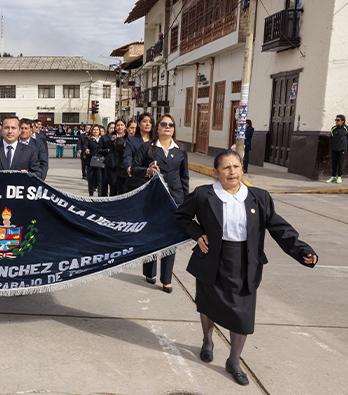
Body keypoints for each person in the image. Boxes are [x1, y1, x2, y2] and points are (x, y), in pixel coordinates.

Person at [175, 149, 318, 386]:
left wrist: (302, 250)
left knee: (243, 316)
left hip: (245, 263)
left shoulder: (259, 197)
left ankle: (234, 360)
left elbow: (279, 228)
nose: (232, 172)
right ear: (215, 172)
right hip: (212, 259)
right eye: (226, 167)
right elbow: (181, 217)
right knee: (209, 306)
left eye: (236, 166)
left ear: (243, 169)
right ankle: (208, 341)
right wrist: (197, 233)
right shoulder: (203, 195)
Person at [132, 114, 189, 293]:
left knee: (170, 237)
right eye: (163, 124)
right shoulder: (147, 148)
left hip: (175, 199)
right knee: (152, 235)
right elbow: (133, 169)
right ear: (157, 128)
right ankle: (150, 271)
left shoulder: (180, 150)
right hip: (152, 198)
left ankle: (166, 279)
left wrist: (186, 203)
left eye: (171, 124)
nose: (167, 127)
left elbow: (184, 177)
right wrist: (146, 170)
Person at [124, 113, 153, 191]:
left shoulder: (156, 141)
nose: (147, 124)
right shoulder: (131, 140)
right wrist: (129, 166)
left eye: (150, 122)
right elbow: (128, 155)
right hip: (136, 179)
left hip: (152, 180)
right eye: (144, 121)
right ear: (139, 124)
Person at [104, 120, 127, 195]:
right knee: (113, 187)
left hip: (123, 166)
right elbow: (105, 145)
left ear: (125, 127)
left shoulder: (128, 137)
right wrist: (111, 141)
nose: (120, 127)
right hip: (112, 165)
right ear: (115, 128)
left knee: (123, 188)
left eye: (121, 125)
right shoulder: (111, 136)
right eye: (117, 125)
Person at [84, 126, 105, 197]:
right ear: (91, 131)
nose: (95, 131)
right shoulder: (88, 139)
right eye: (94, 130)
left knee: (100, 178)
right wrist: (86, 149)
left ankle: (100, 195)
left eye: (97, 130)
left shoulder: (102, 139)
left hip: (100, 161)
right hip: (91, 161)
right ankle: (91, 194)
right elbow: (85, 146)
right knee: (91, 178)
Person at [328, 114, 347, 183]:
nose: (336, 121)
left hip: (342, 149)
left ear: (342, 121)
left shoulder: (346, 128)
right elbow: (332, 137)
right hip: (334, 148)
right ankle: (333, 176)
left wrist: (344, 145)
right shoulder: (333, 129)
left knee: (340, 163)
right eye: (336, 120)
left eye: (338, 120)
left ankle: (339, 176)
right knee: (334, 163)